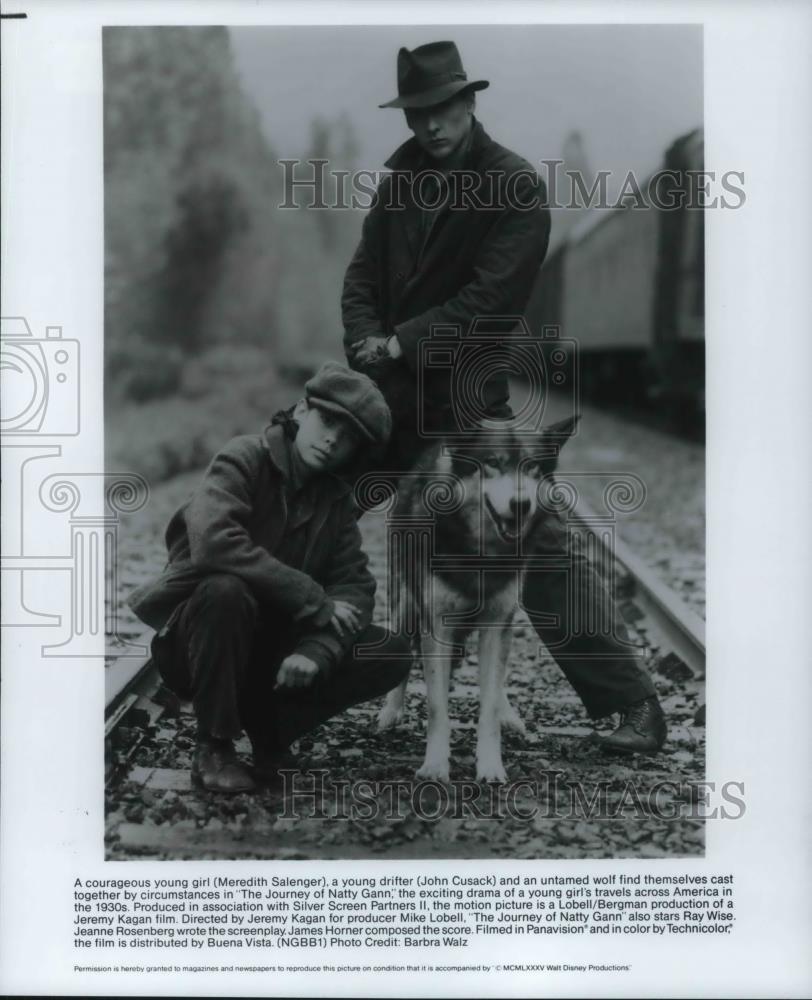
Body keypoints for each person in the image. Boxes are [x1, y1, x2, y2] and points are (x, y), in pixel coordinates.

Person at [342, 40, 666, 754]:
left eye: (442, 109)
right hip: (388, 389)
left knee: (534, 540)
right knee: (301, 488)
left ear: (469, 102)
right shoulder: (398, 183)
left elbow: (491, 301)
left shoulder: (514, 186)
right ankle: (247, 678)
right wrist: (365, 342)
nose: (429, 125)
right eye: (417, 112)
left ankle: (633, 704)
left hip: (463, 399)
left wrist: (400, 340)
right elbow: (362, 271)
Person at [128, 362, 412, 793]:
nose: (333, 437)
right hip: (199, 642)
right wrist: (310, 597)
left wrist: (317, 651)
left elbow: (354, 588)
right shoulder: (244, 458)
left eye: (349, 435)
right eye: (328, 420)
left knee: (389, 651)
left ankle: (271, 733)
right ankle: (214, 747)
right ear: (301, 411)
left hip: (271, 651)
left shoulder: (334, 502)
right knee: (225, 589)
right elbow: (214, 543)